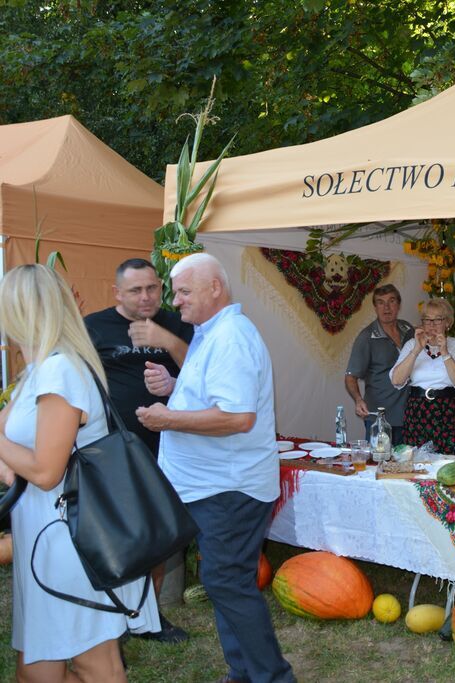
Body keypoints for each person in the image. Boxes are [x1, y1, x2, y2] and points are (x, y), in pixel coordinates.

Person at [136, 253, 294, 683]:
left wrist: (167, 417)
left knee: (228, 582)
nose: (176, 300)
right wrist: (175, 388)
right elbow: (216, 393)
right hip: (216, 486)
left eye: (184, 291)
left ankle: (271, 676)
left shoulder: (231, 338)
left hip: (229, 489)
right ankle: (243, 672)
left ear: (215, 289)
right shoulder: (211, 334)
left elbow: (237, 417)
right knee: (225, 581)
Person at [0, 264, 159, 681]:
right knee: (36, 671)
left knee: (95, 664)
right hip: (44, 538)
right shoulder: (36, 372)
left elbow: (46, 470)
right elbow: (16, 453)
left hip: (69, 539)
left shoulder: (58, 372)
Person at [84, 257, 193, 643]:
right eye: (135, 290)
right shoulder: (94, 327)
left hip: (169, 447)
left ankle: (148, 617)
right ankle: (110, 619)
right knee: (116, 538)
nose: (146, 297)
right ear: (117, 292)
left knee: (158, 535)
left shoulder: (177, 324)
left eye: (152, 288)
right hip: (111, 450)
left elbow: (201, 371)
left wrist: (167, 342)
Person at [389, 298, 455, 453]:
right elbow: (396, 380)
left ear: (448, 323)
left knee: (447, 462)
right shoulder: (412, 345)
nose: (431, 325)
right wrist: (416, 350)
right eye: (427, 319)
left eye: (437, 320)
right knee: (418, 463)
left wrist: (445, 352)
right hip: (417, 412)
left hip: (447, 412)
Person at [345, 284, 415, 444]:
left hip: (410, 416)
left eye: (391, 301)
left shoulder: (408, 329)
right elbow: (350, 376)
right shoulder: (366, 337)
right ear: (375, 307)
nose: (386, 307)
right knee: (378, 465)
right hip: (380, 417)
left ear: (399, 305)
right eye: (381, 302)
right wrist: (358, 399)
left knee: (407, 465)